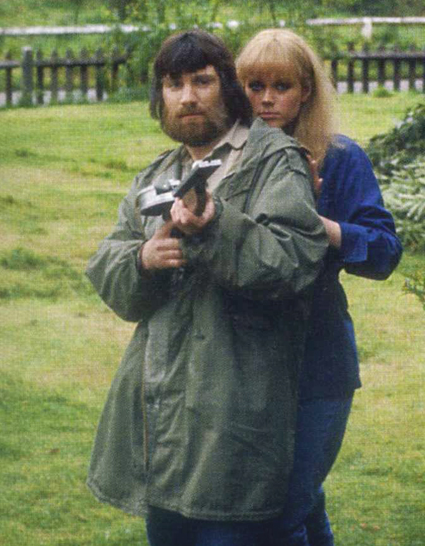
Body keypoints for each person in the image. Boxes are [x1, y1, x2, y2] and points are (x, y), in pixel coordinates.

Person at [86, 29, 329, 546]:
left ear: (228, 89)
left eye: (202, 81)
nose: (188, 96)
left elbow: (292, 263)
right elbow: (108, 268)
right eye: (174, 84)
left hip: (236, 419)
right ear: (160, 97)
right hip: (162, 424)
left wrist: (215, 224)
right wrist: (143, 258)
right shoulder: (159, 174)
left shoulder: (273, 159)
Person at [236, 28, 402, 546]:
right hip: (247, 361)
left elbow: (384, 252)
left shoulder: (339, 156)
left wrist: (323, 225)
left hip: (318, 360)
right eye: (254, 85)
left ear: (306, 90)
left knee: (283, 511)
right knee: (299, 504)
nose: (266, 99)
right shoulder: (232, 155)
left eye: (281, 86)